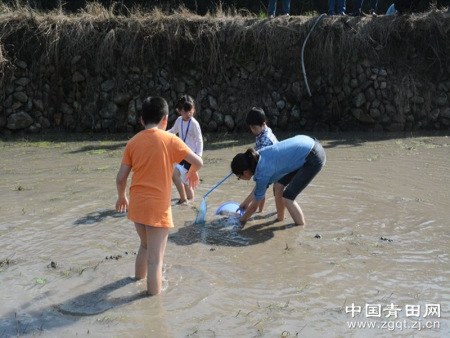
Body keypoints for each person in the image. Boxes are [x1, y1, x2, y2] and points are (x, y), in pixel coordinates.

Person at [115, 96, 203, 296]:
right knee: (156, 260)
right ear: (165, 119)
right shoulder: (171, 140)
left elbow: (121, 178)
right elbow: (198, 161)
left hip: (137, 206)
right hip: (158, 210)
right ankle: (152, 307)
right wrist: (191, 172)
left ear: (142, 120)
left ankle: (137, 282)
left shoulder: (132, 142)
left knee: (144, 246)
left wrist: (122, 198)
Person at [231, 135, 326, 226]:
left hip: (313, 156)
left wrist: (240, 221)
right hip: (307, 145)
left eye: (239, 177)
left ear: (246, 172)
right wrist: (245, 203)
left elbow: (253, 207)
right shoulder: (256, 156)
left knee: (288, 198)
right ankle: (280, 219)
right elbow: (258, 190)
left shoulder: (262, 174)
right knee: (278, 186)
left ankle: (300, 228)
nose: (240, 179)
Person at [239, 107, 278, 213]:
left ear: (263, 124)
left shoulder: (266, 139)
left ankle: (277, 215)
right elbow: (257, 150)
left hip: (276, 166)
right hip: (270, 164)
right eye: (251, 128)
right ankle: (260, 212)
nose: (252, 130)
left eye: (254, 128)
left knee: (277, 192)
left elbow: (262, 155)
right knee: (262, 189)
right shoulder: (261, 132)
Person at [167, 95, 203, 204]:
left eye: (190, 111)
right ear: (179, 111)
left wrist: (198, 158)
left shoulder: (194, 123)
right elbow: (173, 131)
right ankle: (191, 204)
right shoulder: (179, 120)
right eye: (185, 111)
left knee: (175, 174)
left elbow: (200, 141)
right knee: (187, 184)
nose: (188, 114)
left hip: (191, 156)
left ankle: (183, 199)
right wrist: (162, 134)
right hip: (182, 155)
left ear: (193, 110)